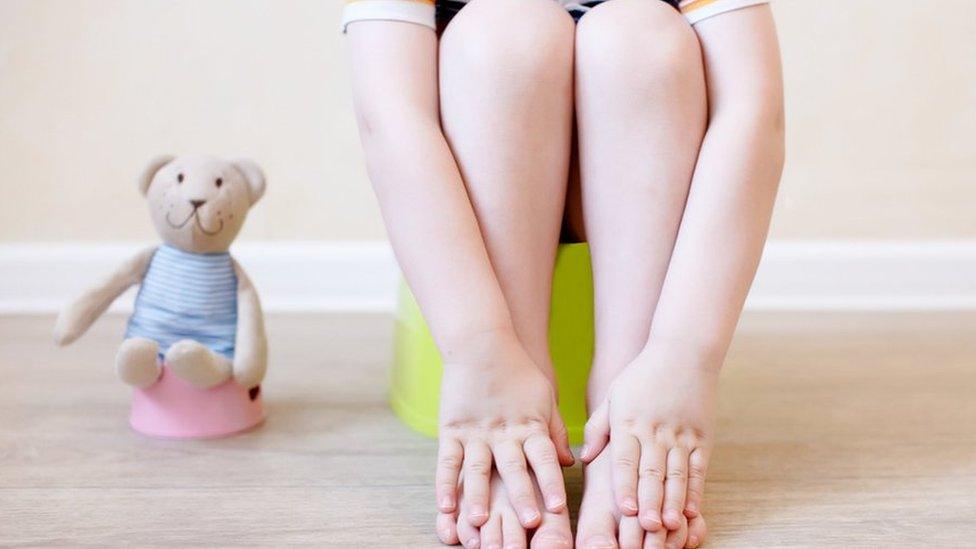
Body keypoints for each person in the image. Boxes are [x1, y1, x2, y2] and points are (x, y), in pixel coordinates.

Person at [343, 0, 785, 546]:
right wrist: (479, 347)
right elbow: (390, 118)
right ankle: (507, 402)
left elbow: (752, 112)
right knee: (504, 31)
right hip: (481, 189)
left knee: (640, 36)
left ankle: (629, 409)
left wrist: (683, 356)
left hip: (639, 176)